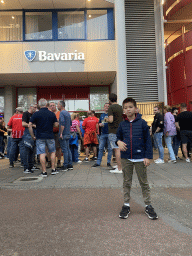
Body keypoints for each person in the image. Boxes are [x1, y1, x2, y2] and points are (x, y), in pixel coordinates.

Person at [117, 97, 158, 220]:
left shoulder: (142, 123)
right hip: (126, 158)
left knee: (143, 182)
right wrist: (118, 142)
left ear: (135, 109)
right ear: (123, 110)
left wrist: (147, 156)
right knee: (126, 182)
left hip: (140, 157)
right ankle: (126, 205)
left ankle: (148, 205)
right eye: (125, 108)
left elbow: (148, 141)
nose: (128, 109)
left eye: (130, 107)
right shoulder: (122, 124)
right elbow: (117, 137)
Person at [29, 98, 59, 177]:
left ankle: (44, 172)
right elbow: (56, 125)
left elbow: (29, 125)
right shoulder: (52, 114)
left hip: (39, 136)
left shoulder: (36, 114)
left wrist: (33, 136)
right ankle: (53, 169)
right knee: (52, 151)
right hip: (50, 135)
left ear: (39, 105)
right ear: (46, 105)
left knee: (41, 153)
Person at [92, 103, 113, 168]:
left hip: (110, 133)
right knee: (101, 148)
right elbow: (100, 123)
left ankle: (108, 162)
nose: (106, 107)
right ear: (103, 107)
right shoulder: (102, 115)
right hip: (103, 133)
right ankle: (98, 162)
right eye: (105, 106)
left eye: (108, 106)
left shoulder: (111, 115)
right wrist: (100, 125)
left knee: (110, 149)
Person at [106, 93, 123, 174]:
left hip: (113, 131)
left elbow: (111, 120)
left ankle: (119, 168)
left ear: (109, 100)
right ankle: (118, 165)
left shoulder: (111, 107)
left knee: (116, 149)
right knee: (119, 148)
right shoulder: (120, 107)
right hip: (120, 130)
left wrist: (106, 119)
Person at [22, 104, 39, 173]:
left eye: (36, 108)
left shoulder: (35, 115)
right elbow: (23, 124)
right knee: (27, 150)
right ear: (30, 107)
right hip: (27, 134)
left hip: (34, 133)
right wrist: (33, 125)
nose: (35, 109)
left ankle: (31, 165)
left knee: (33, 151)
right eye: (34, 107)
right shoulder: (26, 114)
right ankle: (26, 168)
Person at [57, 100, 73, 171]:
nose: (57, 106)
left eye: (57, 105)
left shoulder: (61, 113)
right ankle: (70, 164)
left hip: (63, 134)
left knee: (64, 150)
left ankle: (65, 165)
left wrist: (61, 133)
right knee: (68, 149)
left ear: (61, 106)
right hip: (68, 133)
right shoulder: (67, 113)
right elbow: (70, 123)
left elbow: (62, 123)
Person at [50, 101, 62, 168]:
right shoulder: (49, 113)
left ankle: (59, 161)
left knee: (58, 147)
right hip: (50, 133)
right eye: (51, 105)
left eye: (53, 105)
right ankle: (50, 162)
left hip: (57, 132)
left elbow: (60, 122)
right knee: (49, 148)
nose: (52, 106)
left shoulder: (59, 113)